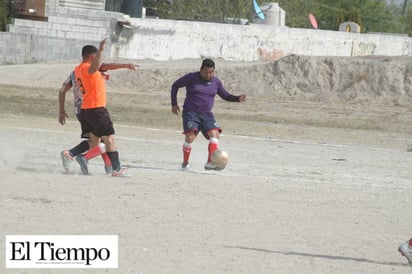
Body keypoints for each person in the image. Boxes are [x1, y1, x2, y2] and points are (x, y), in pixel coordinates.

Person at [59, 63, 136, 174]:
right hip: (91, 107)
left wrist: (61, 110)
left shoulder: (75, 72)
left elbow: (62, 90)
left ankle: (71, 154)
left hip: (79, 109)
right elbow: (105, 65)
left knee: (96, 141)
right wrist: (126, 65)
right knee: (106, 138)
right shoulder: (91, 69)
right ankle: (104, 164)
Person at [74, 38, 136, 177]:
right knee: (109, 139)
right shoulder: (85, 68)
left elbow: (104, 66)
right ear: (92, 57)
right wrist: (101, 49)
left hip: (88, 109)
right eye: (96, 57)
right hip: (96, 108)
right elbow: (96, 67)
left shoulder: (79, 68)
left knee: (95, 142)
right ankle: (117, 169)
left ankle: (83, 157)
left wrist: (126, 65)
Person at [170, 58, 246, 171]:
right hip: (191, 112)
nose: (208, 74)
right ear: (201, 70)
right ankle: (185, 162)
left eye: (211, 72)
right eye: (206, 72)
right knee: (190, 137)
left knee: (215, 134)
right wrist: (174, 104)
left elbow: (225, 96)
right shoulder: (191, 77)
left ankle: (210, 162)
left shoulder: (216, 82)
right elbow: (175, 85)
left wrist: (237, 99)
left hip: (207, 115)